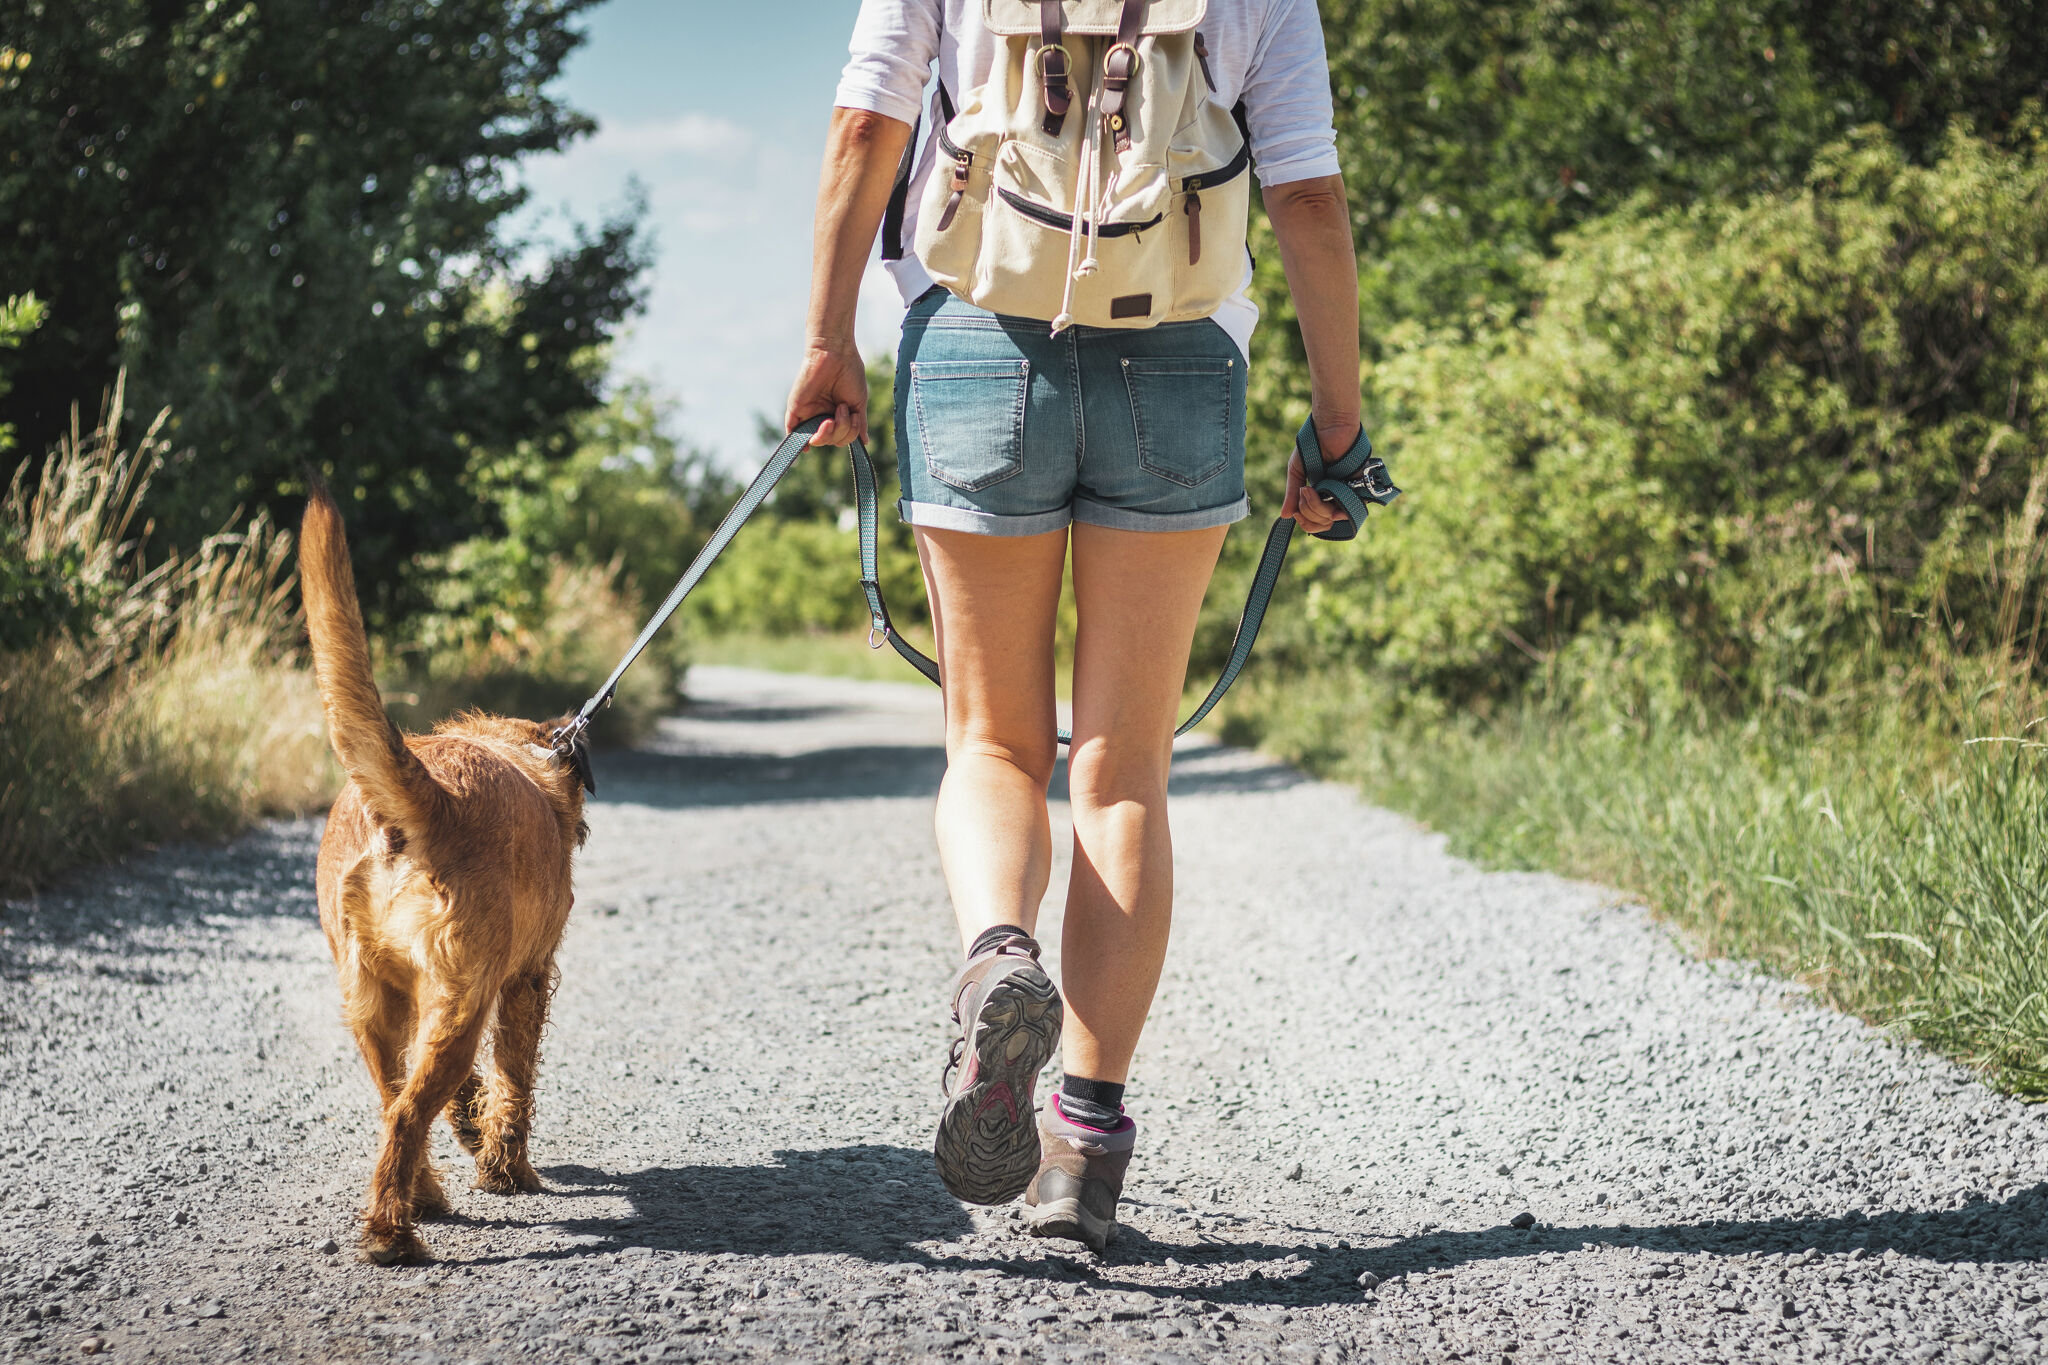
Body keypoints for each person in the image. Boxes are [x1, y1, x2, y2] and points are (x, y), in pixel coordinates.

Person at [788, 0, 1358, 1252]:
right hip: (1181, 361)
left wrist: (830, 342)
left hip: (976, 351)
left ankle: (998, 958)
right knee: (1122, 773)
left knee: (991, 744)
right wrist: (1337, 425)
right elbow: (1305, 199)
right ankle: (1081, 1153)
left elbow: (864, 123)